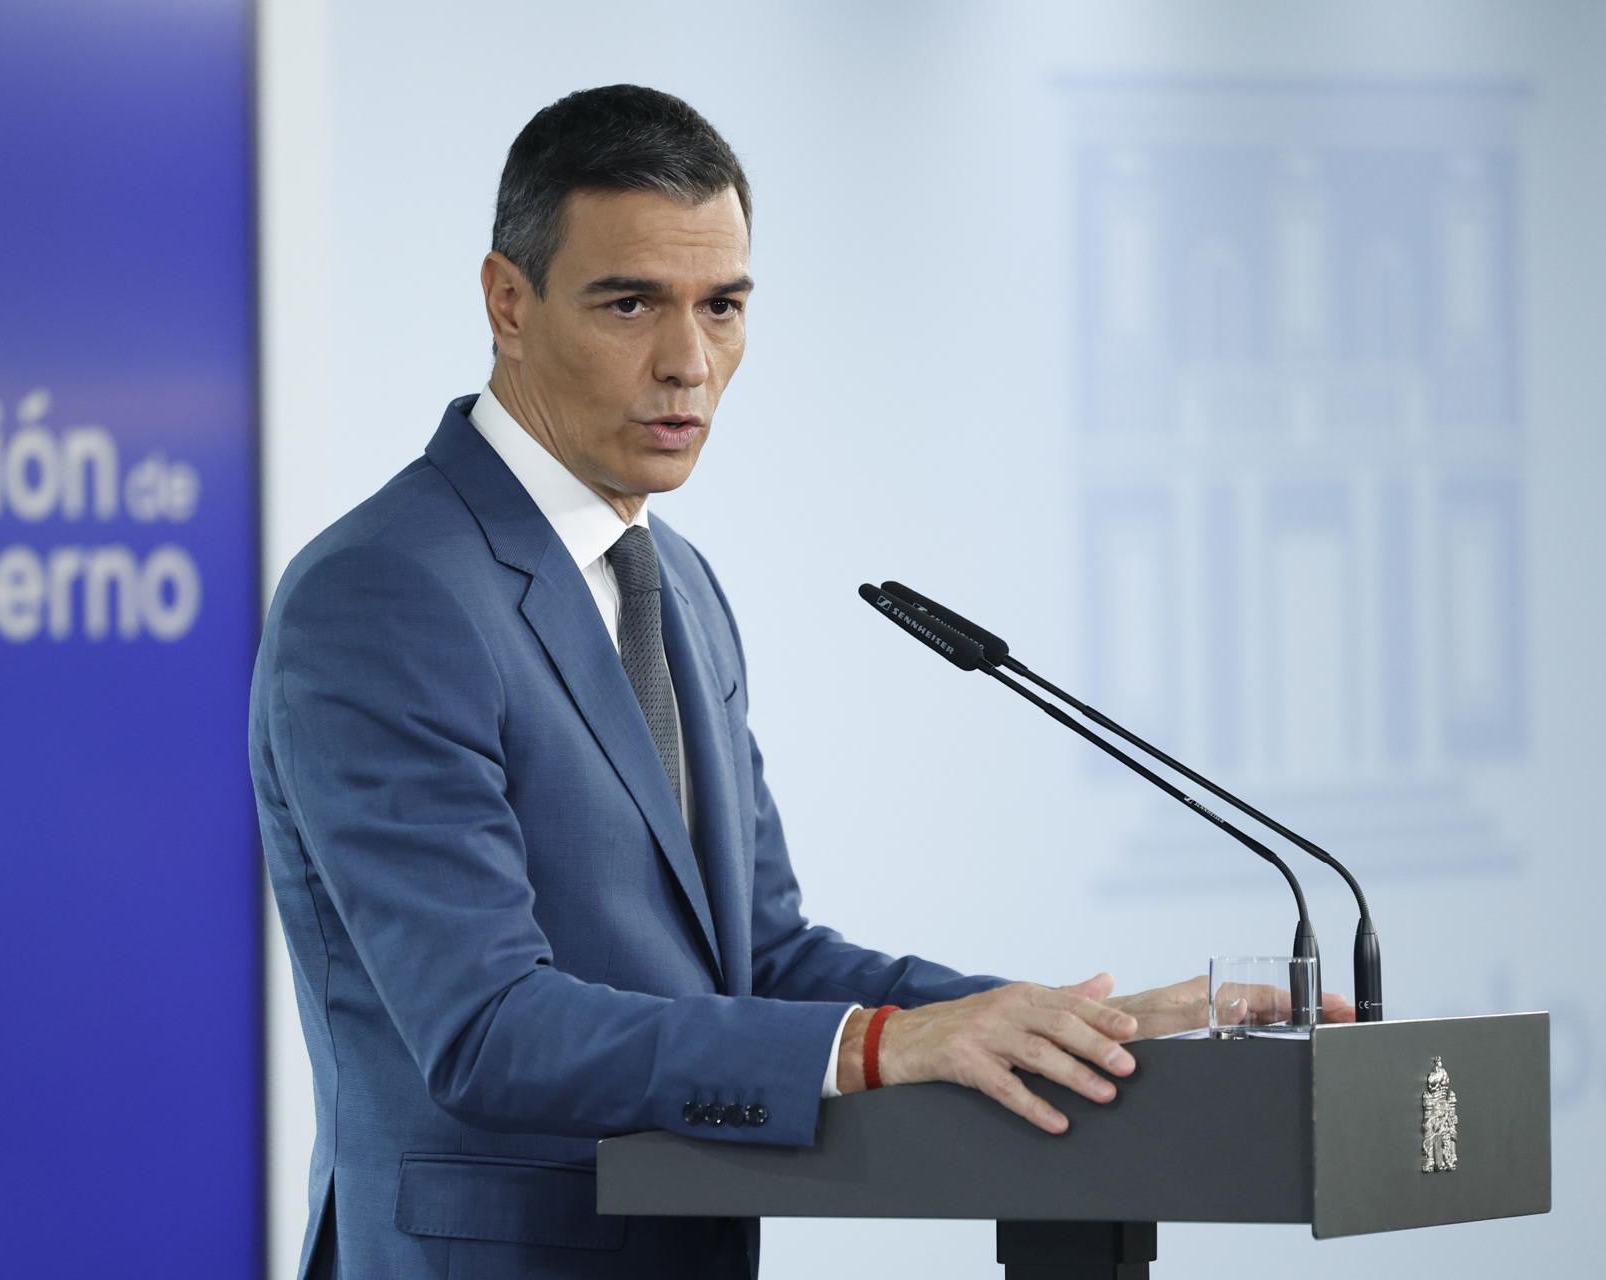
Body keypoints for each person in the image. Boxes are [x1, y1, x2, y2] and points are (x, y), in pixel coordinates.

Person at [249, 83, 1343, 1280]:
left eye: (723, 306)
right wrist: (882, 1044)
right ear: (508, 303)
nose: (689, 362)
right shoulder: (387, 592)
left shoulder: (680, 585)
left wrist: (1087, 1029)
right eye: (631, 304)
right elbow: (487, 1028)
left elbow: (761, 962)